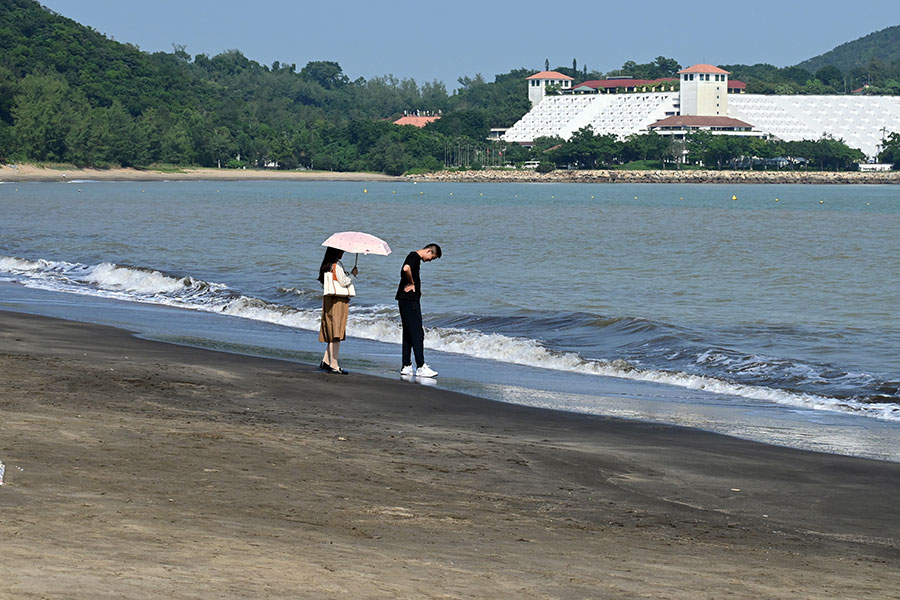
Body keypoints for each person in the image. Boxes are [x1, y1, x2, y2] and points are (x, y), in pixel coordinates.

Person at [396, 243, 442, 378]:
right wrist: (412, 283)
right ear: (428, 251)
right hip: (410, 300)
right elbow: (405, 269)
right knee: (417, 333)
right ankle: (421, 366)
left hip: (404, 300)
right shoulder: (414, 257)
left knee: (408, 333)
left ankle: (406, 366)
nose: (430, 260)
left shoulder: (413, 257)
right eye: (432, 257)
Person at [317, 247, 357, 374]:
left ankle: (326, 361)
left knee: (331, 329)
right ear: (336, 252)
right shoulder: (337, 265)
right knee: (337, 332)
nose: (343, 253)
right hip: (338, 300)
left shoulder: (326, 266)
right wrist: (353, 274)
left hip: (328, 299)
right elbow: (344, 281)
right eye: (341, 251)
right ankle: (334, 364)